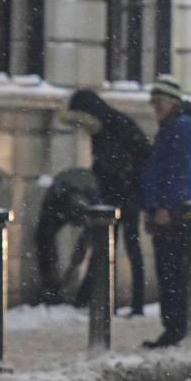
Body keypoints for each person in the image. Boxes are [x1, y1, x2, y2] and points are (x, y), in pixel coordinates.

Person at [60, 89, 152, 315]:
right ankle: (117, 299)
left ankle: (91, 297)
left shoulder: (108, 126)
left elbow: (111, 162)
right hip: (124, 191)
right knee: (120, 246)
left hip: (123, 192)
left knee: (110, 245)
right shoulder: (113, 122)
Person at [140, 75, 191, 349]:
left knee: (173, 272)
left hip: (173, 213)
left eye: (161, 101)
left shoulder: (182, 127)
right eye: (155, 102)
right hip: (165, 210)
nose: (157, 107)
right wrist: (151, 206)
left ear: (172, 101)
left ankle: (177, 327)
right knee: (168, 271)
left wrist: (166, 207)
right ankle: (173, 326)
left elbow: (180, 172)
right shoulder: (171, 127)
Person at [34, 168, 102, 305]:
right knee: (44, 239)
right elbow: (44, 235)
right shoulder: (55, 198)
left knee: (99, 245)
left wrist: (74, 263)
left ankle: (84, 295)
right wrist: (52, 268)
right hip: (62, 199)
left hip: (83, 200)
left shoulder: (93, 199)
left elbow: (85, 242)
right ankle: (51, 286)